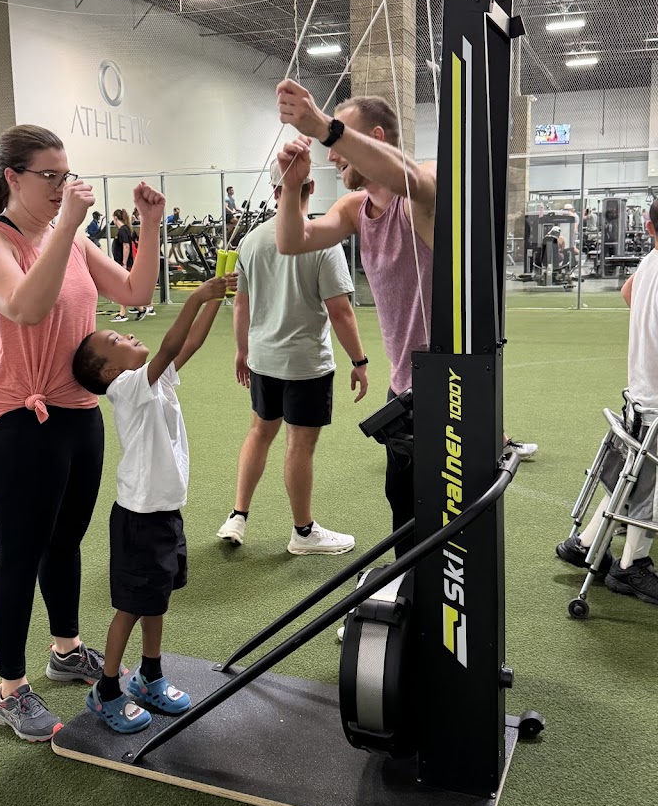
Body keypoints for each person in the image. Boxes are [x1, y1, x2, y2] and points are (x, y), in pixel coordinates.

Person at [273, 82, 537, 558]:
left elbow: (414, 179)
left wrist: (322, 126)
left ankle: (444, 597)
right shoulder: (355, 208)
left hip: (453, 387)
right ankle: (412, 591)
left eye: (341, 140)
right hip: (404, 389)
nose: (332, 154)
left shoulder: (421, 187)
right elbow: (293, 242)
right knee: (403, 502)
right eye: (330, 142)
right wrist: (291, 190)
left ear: (375, 137)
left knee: (453, 515)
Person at [0, 124, 165, 741]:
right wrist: (69, 225)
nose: (61, 186)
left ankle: (66, 649)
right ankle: (10, 690)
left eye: (65, 174)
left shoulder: (67, 238)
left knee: (66, 542)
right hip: (16, 417)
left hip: (78, 412)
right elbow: (25, 306)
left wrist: (150, 223)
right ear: (13, 178)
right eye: (48, 176)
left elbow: (135, 290)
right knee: (19, 553)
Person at [72, 272, 235, 731]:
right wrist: (196, 297)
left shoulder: (153, 380)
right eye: (117, 340)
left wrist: (215, 299)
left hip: (163, 512)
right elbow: (168, 347)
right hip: (139, 518)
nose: (127, 336)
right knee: (130, 606)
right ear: (109, 372)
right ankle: (106, 691)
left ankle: (149, 675)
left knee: (156, 600)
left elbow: (189, 345)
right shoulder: (127, 387)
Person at [217, 161, 367, 554]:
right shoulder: (321, 241)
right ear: (311, 187)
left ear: (274, 192)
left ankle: (237, 516)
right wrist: (360, 361)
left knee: (259, 432)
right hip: (306, 365)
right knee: (299, 445)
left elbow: (241, 304)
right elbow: (340, 311)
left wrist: (243, 350)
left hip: (264, 360)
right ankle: (303, 533)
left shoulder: (251, 240)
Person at [556, 199, 658, 604]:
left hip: (640, 393)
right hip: (654, 403)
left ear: (648, 228)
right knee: (647, 485)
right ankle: (632, 566)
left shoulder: (648, 262)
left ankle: (585, 543)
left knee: (634, 475)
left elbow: (627, 292)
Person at [111, 209, 149, 322]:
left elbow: (126, 247)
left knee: (124, 289)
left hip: (125, 264)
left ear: (115, 218)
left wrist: (124, 263)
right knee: (124, 289)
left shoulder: (123, 230)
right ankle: (133, 311)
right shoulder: (125, 229)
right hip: (123, 264)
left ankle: (133, 311)